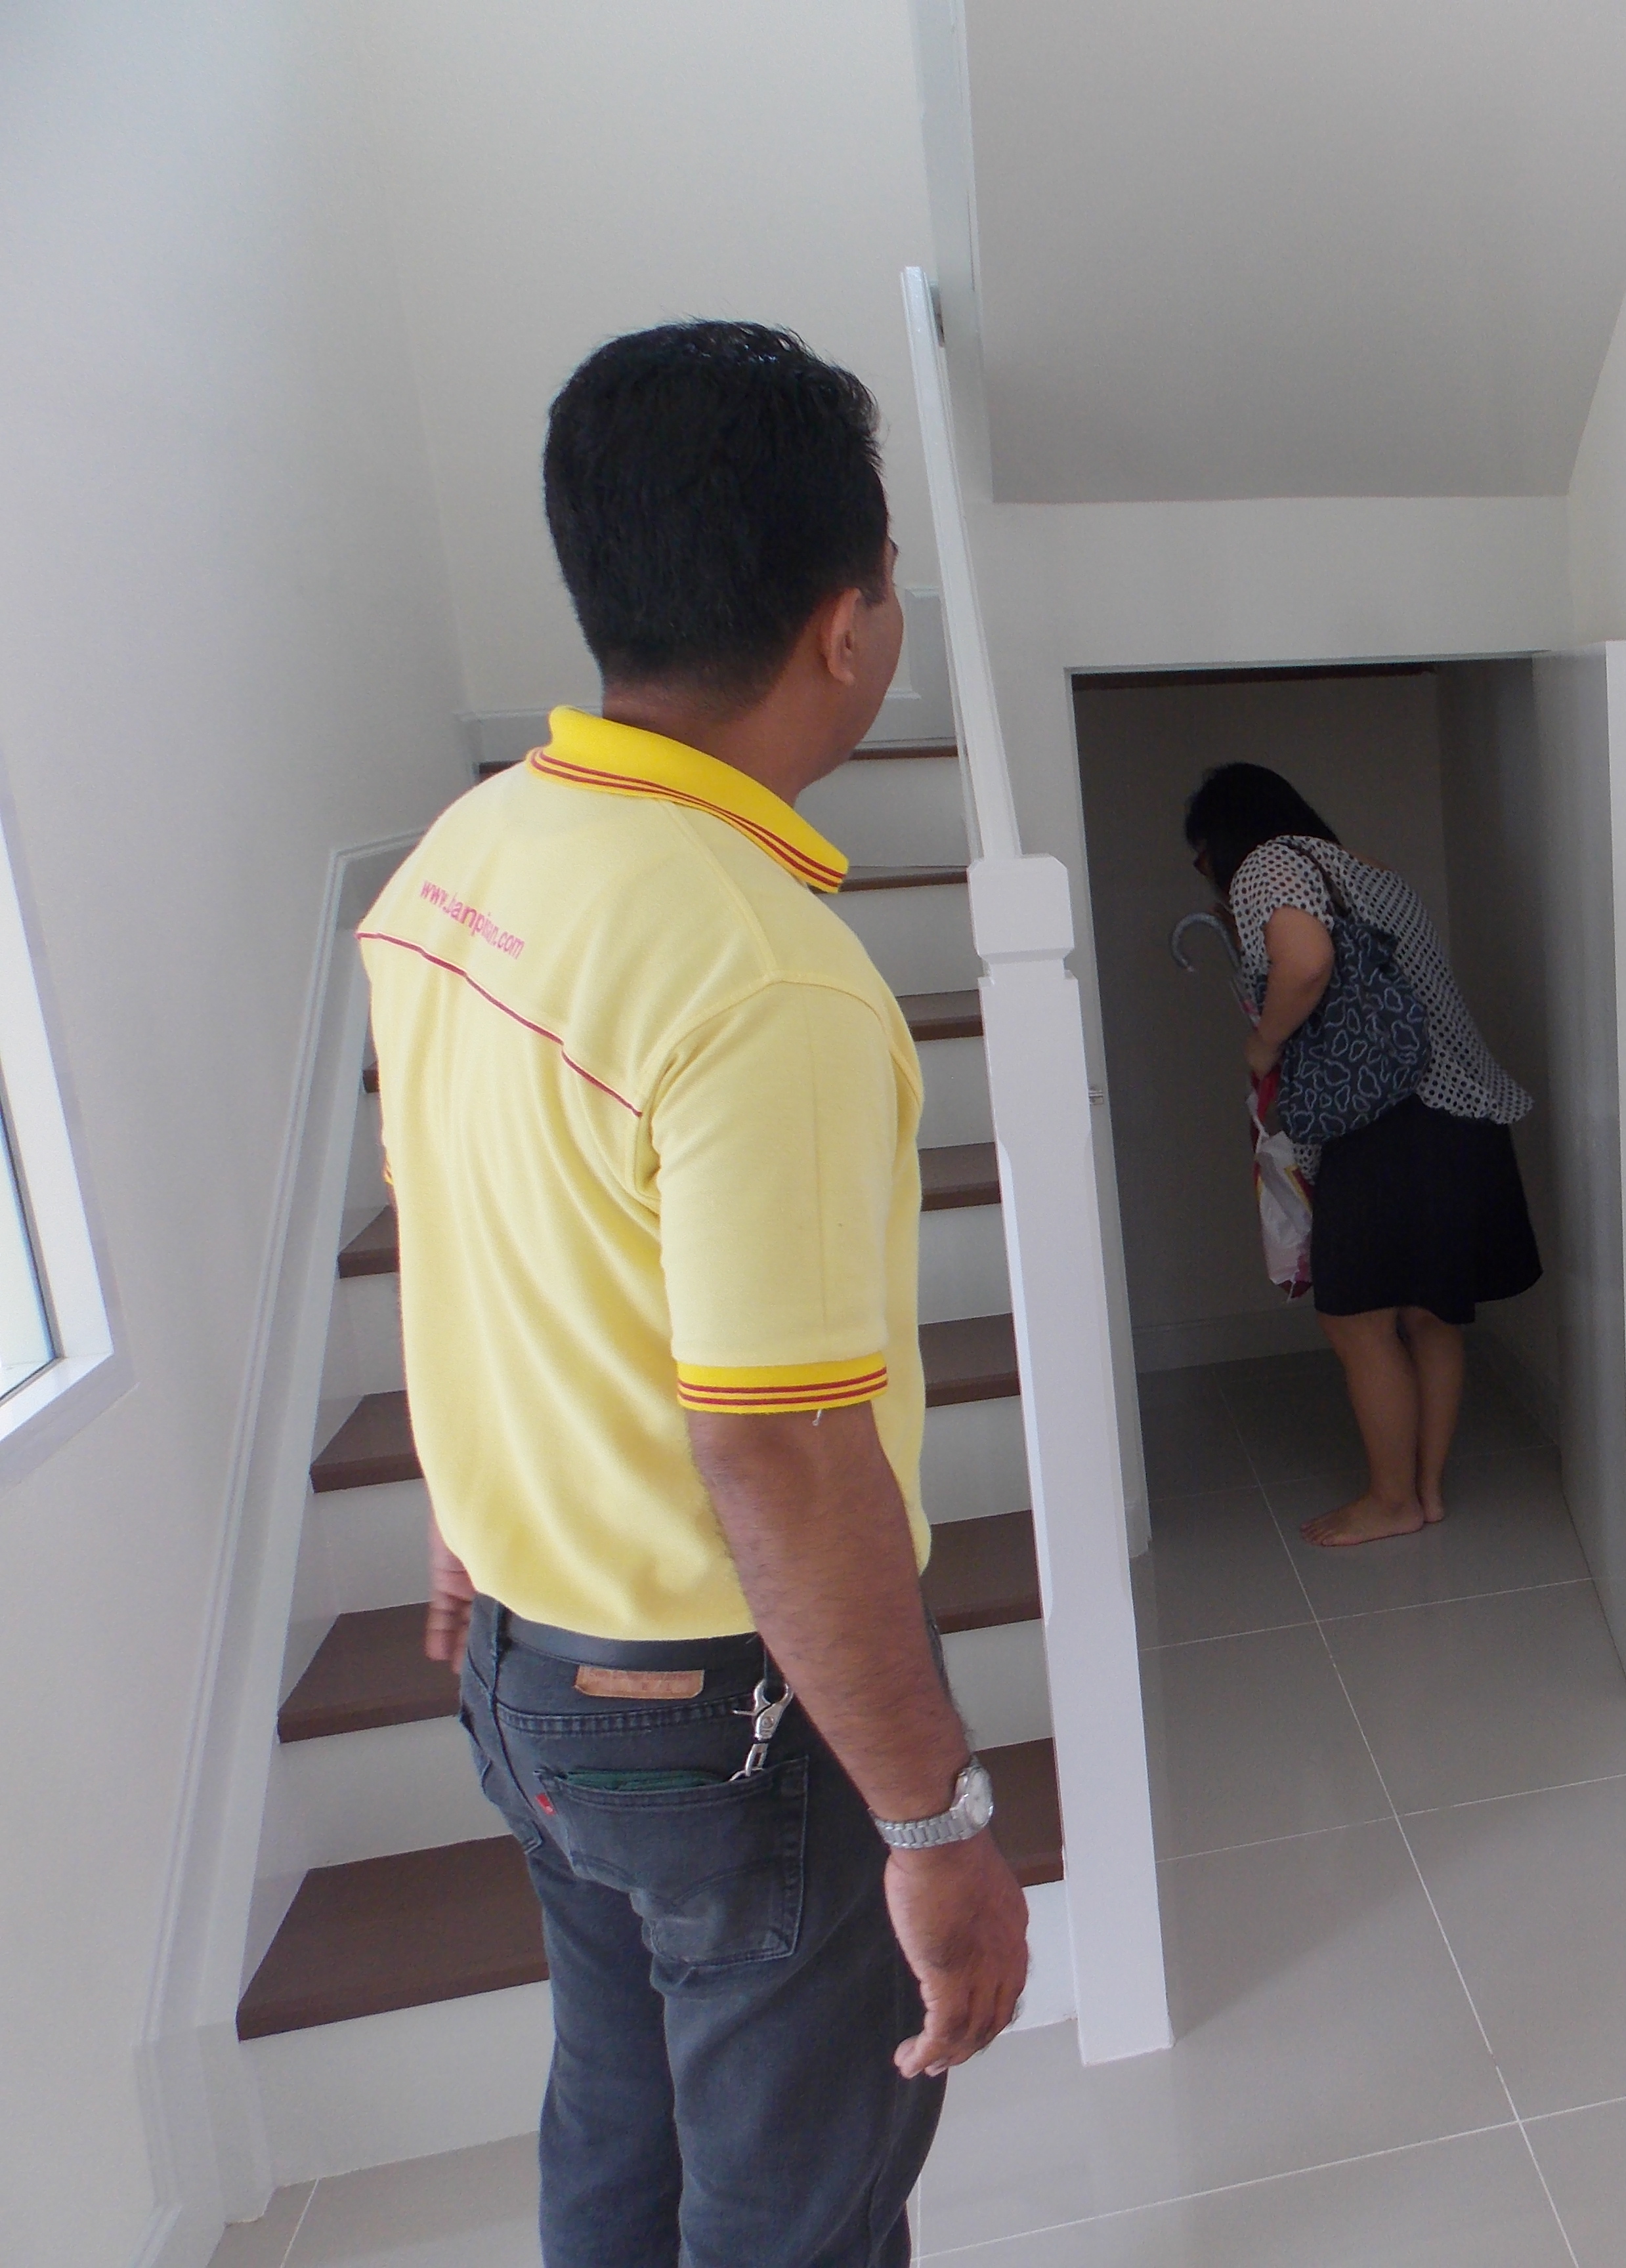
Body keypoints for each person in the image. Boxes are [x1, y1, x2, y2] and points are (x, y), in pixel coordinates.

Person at [360, 322, 1029, 2268]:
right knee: (794, 2208)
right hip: (719, 1713)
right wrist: (934, 1824)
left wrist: (470, 1504)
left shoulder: (467, 858)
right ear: (846, 627)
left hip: (525, 1669)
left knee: (620, 2114)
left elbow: (464, 1220)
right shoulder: (763, 974)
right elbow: (781, 1455)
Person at [1184, 763, 1543, 1546]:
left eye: (1202, 852)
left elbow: (1308, 962)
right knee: (1429, 1314)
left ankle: (1390, 1500)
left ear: (1225, 834)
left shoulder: (1267, 863)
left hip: (1388, 1121)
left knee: (1355, 1321)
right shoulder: (1363, 868)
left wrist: (1263, 1043)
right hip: (1460, 1115)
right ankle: (1425, 1492)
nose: (1207, 869)